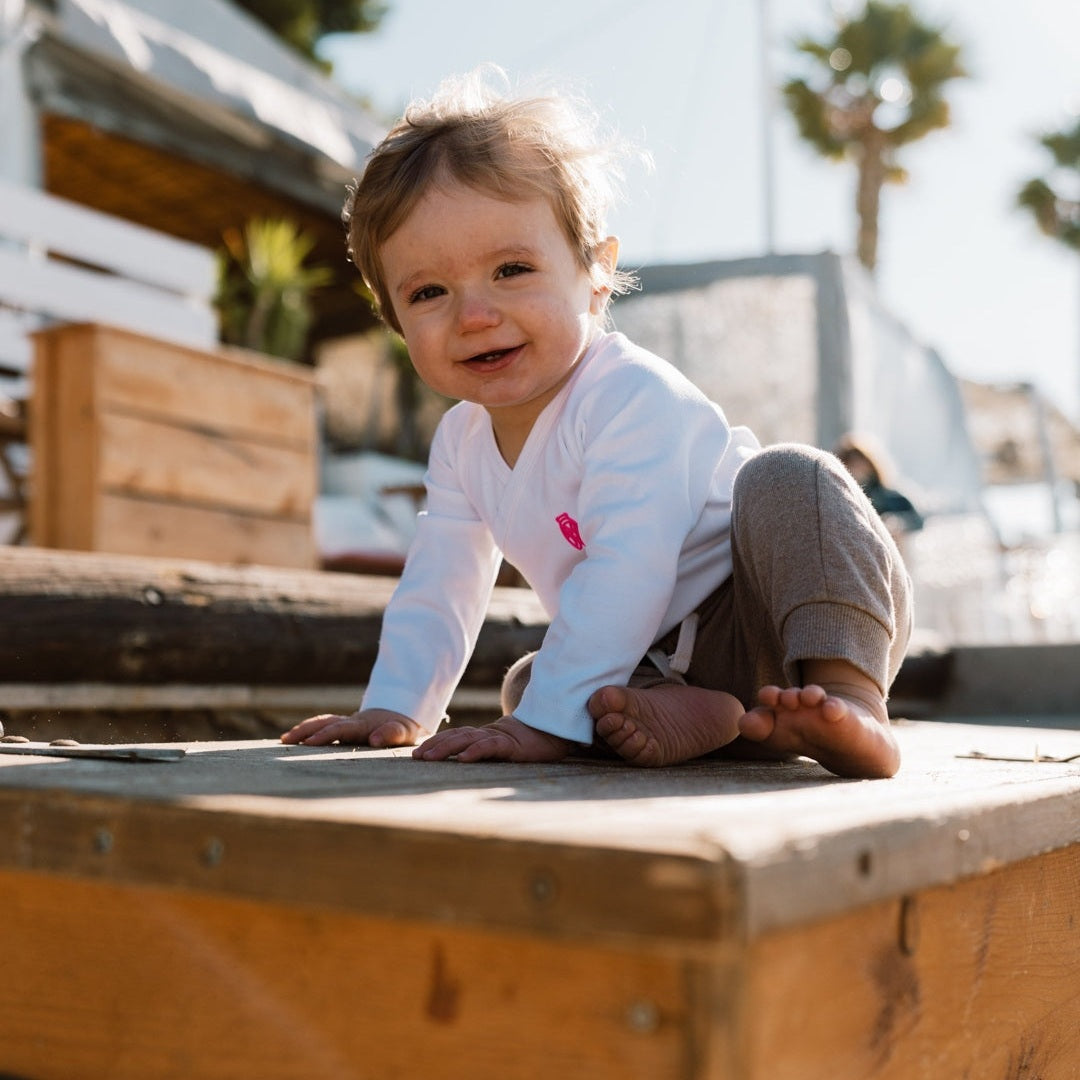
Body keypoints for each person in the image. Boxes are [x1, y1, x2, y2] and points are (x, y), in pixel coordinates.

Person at [281, 70, 913, 779]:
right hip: (655, 661)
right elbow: (440, 581)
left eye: (512, 269)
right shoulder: (461, 444)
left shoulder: (627, 396)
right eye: (429, 292)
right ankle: (728, 722)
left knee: (792, 474)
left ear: (596, 273)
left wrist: (546, 722)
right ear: (393, 319)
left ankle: (852, 701)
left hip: (768, 612)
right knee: (531, 680)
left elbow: (630, 565)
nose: (475, 314)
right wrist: (398, 706)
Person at [834, 434, 924, 540]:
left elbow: (918, 520)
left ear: (870, 466)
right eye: (852, 465)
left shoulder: (888, 497)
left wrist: (898, 522)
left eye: (861, 465)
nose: (857, 471)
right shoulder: (837, 497)